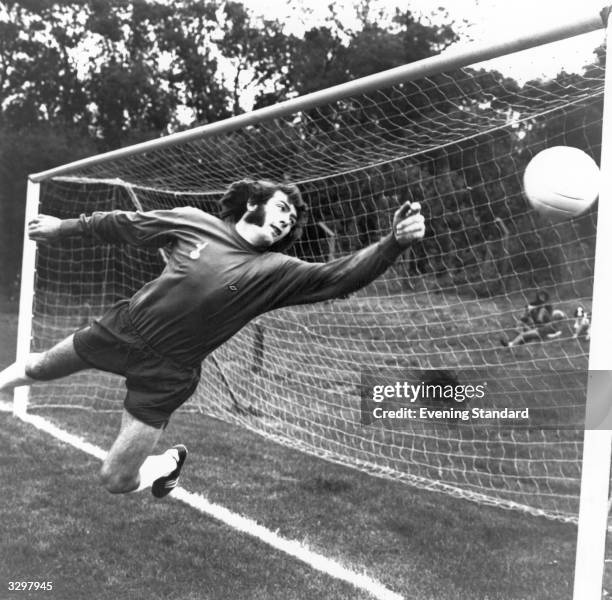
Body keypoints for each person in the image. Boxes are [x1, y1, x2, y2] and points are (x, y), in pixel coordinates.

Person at [0, 179, 425, 498]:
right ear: (254, 202)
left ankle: (165, 465)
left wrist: (393, 243)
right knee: (37, 367)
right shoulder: (194, 222)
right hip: (122, 328)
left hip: (168, 371)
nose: (285, 220)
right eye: (281, 208)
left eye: (291, 221)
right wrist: (64, 227)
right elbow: (127, 224)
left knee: (115, 480)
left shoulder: (276, 270)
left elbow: (340, 277)